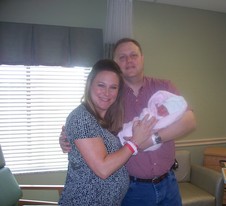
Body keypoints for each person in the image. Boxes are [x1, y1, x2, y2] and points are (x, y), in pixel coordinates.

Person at [60, 38, 196, 206]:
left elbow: (190, 121)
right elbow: (88, 125)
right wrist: (68, 138)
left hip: (168, 183)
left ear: (142, 58)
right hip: (133, 190)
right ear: (115, 62)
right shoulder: (111, 98)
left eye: (133, 55)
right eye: (122, 57)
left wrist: (152, 139)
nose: (129, 60)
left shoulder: (163, 87)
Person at [58, 59, 157, 206]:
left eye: (113, 87)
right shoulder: (81, 117)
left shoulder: (107, 119)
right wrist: (135, 142)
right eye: (101, 85)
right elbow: (103, 169)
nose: (106, 93)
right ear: (90, 84)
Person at [118, 90, 188, 152]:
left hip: (150, 141)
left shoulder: (165, 122)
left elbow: (189, 123)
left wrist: (150, 138)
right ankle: (122, 136)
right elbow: (145, 113)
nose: (162, 110)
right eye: (162, 107)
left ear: (170, 116)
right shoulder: (152, 110)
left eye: (166, 111)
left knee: (156, 145)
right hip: (138, 126)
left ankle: (131, 145)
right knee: (128, 129)